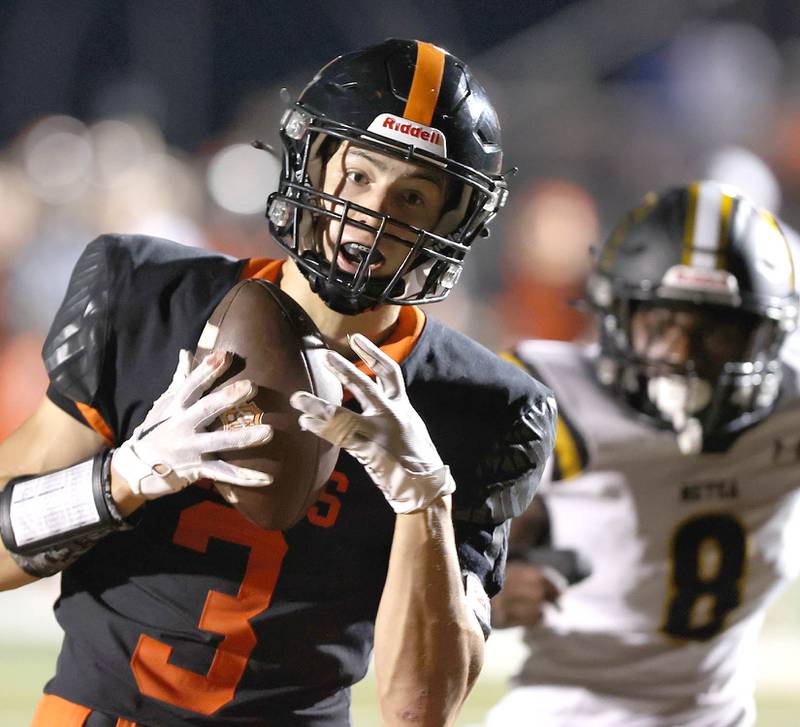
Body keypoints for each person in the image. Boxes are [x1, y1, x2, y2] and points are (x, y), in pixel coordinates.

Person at [0, 39, 556, 727]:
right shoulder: (145, 294)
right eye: (358, 175)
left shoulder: (485, 406)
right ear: (313, 167)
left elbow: (418, 709)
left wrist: (425, 500)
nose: (374, 213)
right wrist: (123, 477)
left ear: (450, 220)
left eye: (411, 194)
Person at [488, 180, 800, 727]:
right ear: (617, 314)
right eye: (661, 324)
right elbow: (401, 537)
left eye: (718, 331)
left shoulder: (789, 413)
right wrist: (477, 582)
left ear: (766, 335)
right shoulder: (551, 398)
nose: (682, 354)